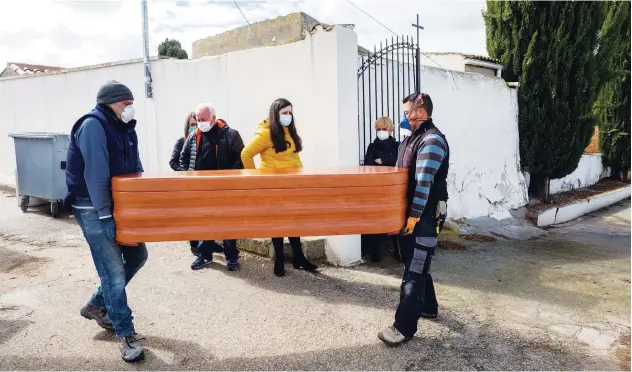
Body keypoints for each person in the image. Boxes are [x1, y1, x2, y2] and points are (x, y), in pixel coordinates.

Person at [65, 81, 147, 362]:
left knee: (137, 254)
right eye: (126, 104)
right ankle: (124, 333)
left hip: (118, 204)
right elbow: (96, 174)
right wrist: (104, 213)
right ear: (111, 103)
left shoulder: (124, 126)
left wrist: (137, 204)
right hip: (92, 206)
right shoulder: (93, 126)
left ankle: (96, 305)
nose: (130, 109)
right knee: (112, 271)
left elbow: (134, 166)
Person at [378, 92, 449, 347]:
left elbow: (423, 184)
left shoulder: (432, 141)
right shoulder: (410, 140)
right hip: (410, 216)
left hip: (425, 217)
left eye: (407, 111)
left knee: (414, 270)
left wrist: (414, 216)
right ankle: (428, 307)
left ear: (421, 111)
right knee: (415, 263)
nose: (404, 116)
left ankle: (403, 328)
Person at [241, 98, 318, 277]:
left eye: (290, 113)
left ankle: (299, 258)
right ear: (276, 114)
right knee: (277, 223)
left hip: (292, 185)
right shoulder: (266, 134)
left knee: (294, 221)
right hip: (273, 187)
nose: (288, 116)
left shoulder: (290, 131)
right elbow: (246, 154)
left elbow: (293, 158)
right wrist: (255, 179)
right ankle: (280, 259)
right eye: (284, 113)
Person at [179, 103, 244, 271]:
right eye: (198, 119)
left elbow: (240, 158)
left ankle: (231, 257)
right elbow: (183, 158)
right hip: (201, 189)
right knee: (204, 222)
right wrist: (189, 176)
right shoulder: (194, 136)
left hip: (225, 188)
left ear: (213, 118)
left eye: (204, 119)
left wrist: (228, 177)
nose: (200, 123)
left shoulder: (230, 134)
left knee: (228, 223)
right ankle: (204, 255)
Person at [362, 117, 401, 263]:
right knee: (377, 220)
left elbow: (399, 162)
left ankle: (398, 251)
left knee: (393, 220)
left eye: (384, 129)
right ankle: (375, 252)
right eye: (378, 129)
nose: (381, 132)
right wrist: (387, 162)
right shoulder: (372, 146)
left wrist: (383, 161)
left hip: (393, 187)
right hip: (377, 187)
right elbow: (368, 164)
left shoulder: (397, 145)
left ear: (390, 129)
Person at [169, 112, 204, 257]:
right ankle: (194, 244)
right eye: (192, 124)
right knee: (192, 216)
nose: (194, 127)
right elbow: (173, 161)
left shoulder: (204, 140)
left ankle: (207, 243)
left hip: (201, 185)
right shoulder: (181, 141)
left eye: (196, 124)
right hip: (188, 185)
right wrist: (185, 173)